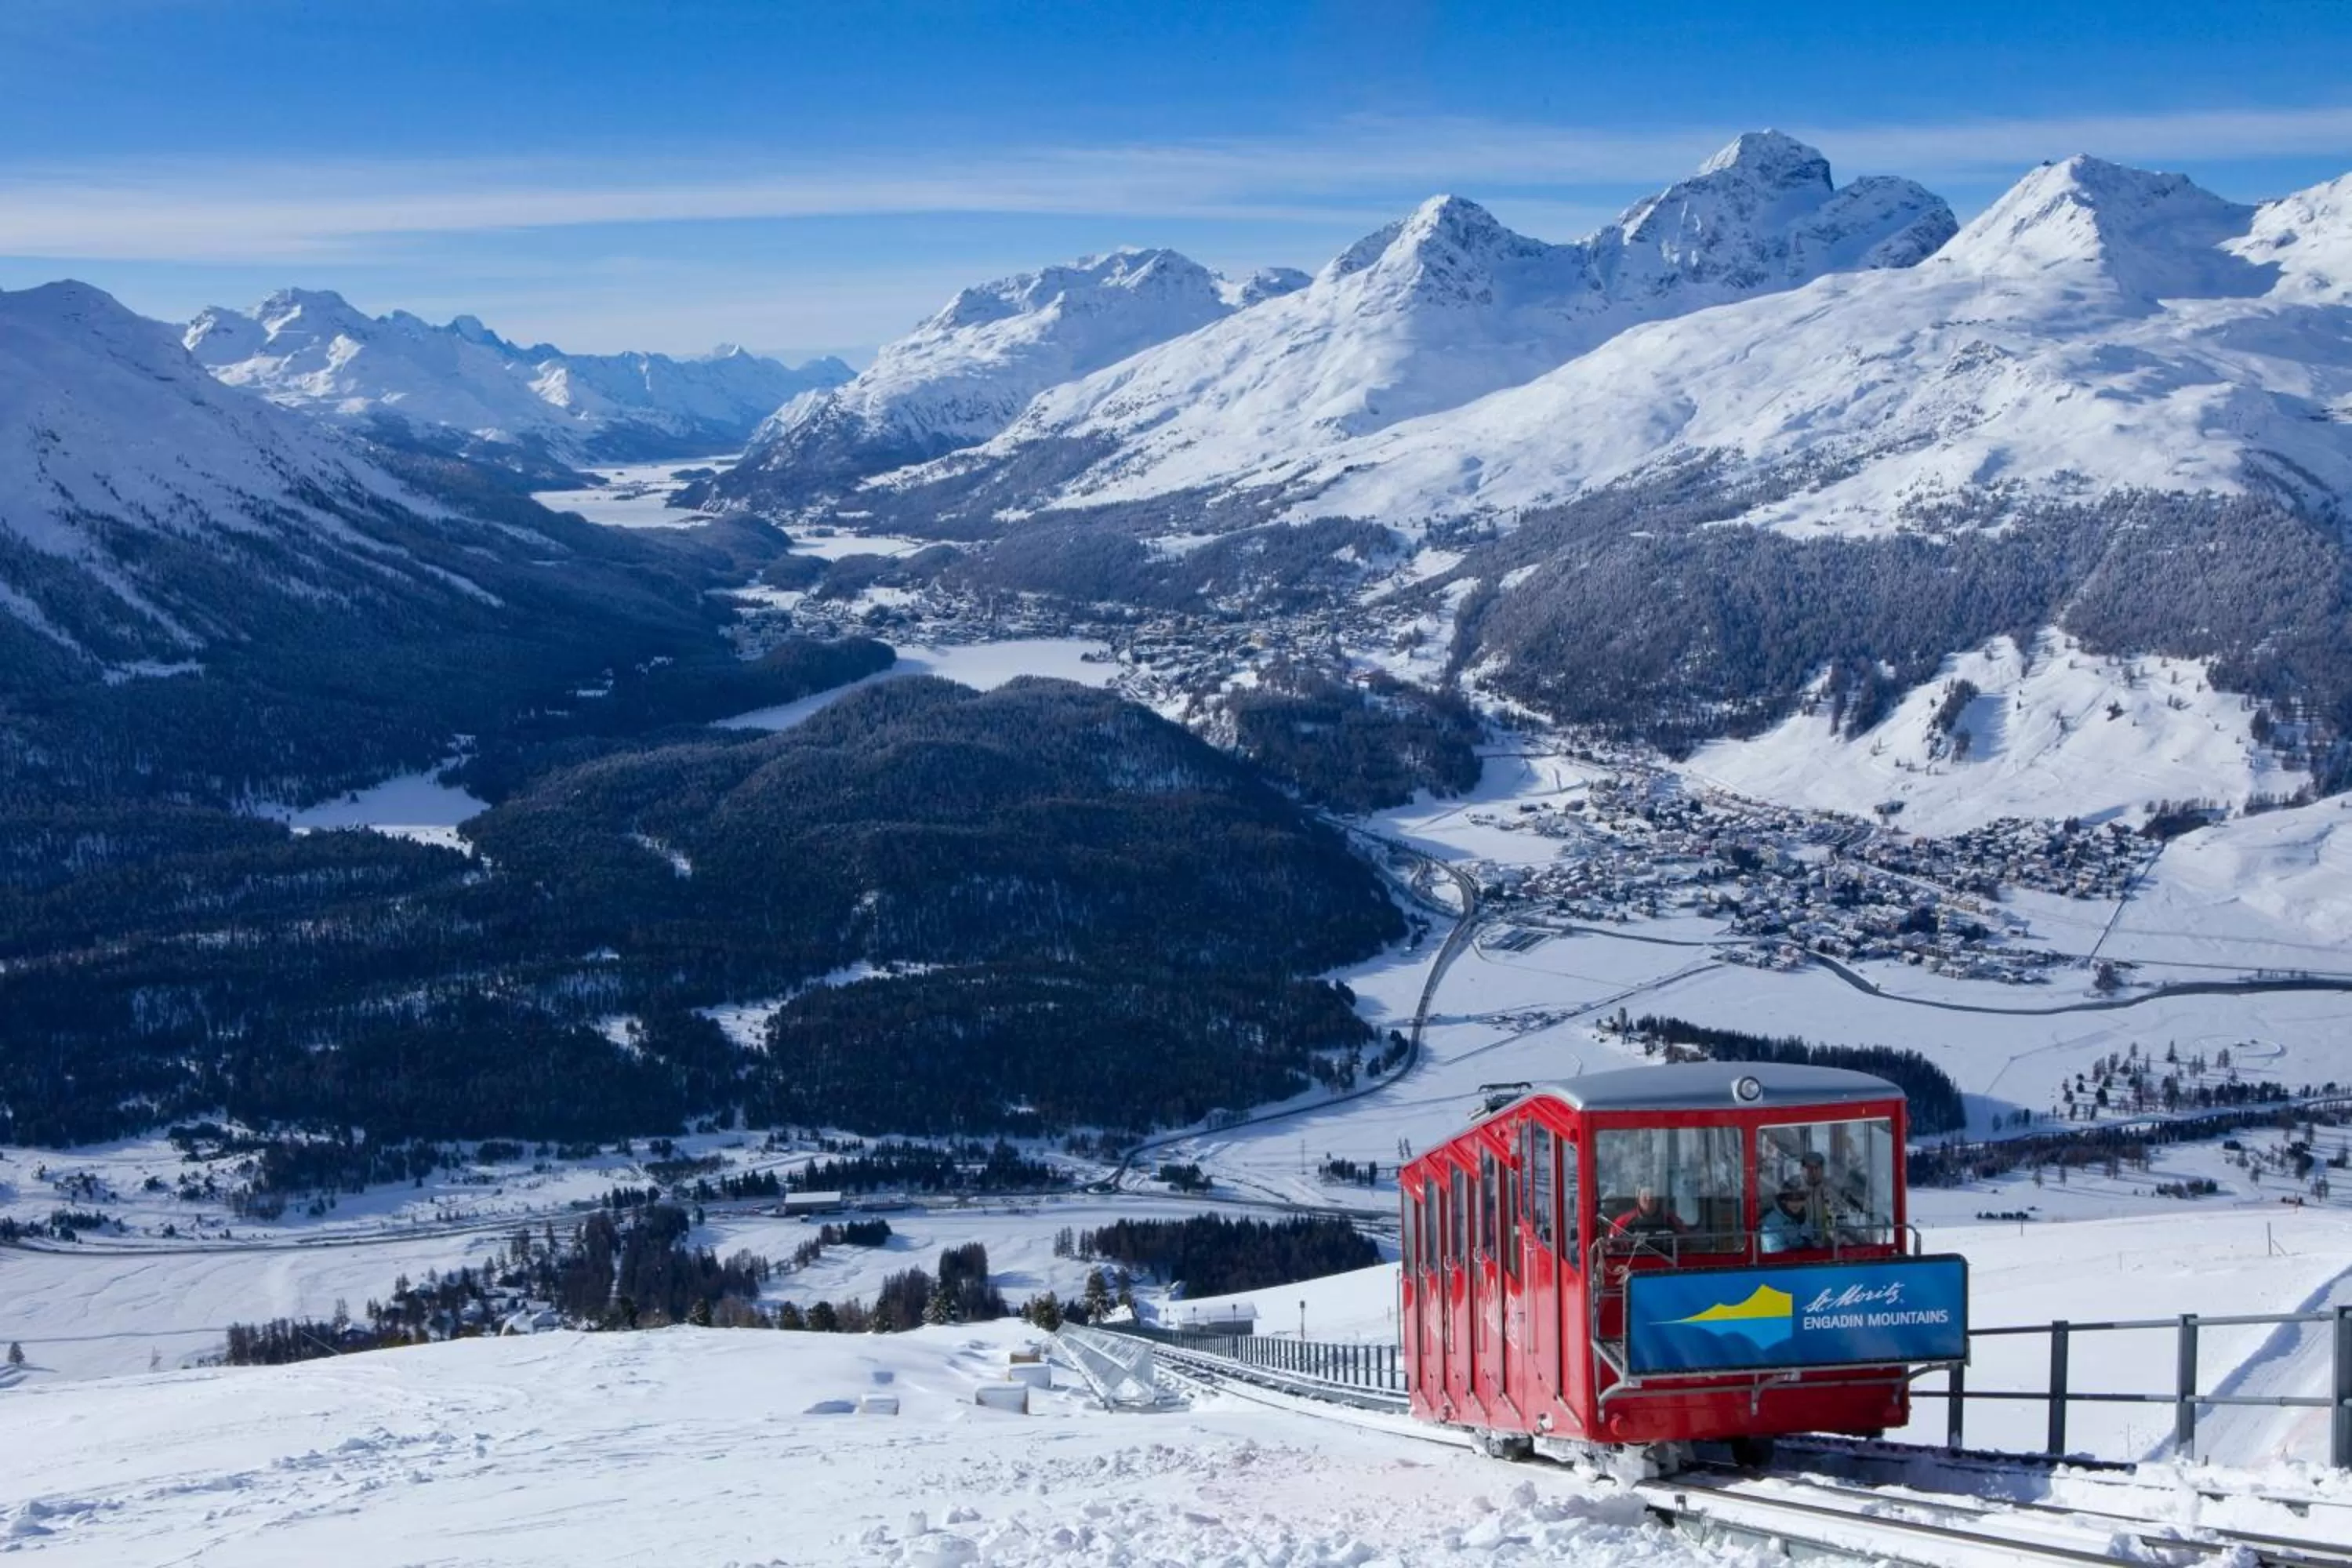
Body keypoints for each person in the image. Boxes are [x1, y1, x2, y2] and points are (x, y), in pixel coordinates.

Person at [1759, 1182, 1820, 1253]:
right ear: (1783, 1200)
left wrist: (1813, 1245)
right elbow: (1776, 1254)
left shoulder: (1802, 1218)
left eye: (1801, 1198)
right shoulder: (1771, 1224)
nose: (1796, 1203)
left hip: (1806, 1262)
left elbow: (1810, 1237)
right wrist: (1804, 1251)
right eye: (1790, 1198)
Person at [1610, 1184, 1689, 1237]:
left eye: (1652, 1195)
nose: (1649, 1199)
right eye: (1645, 1195)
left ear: (1657, 1198)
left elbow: (1686, 1243)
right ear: (1638, 1199)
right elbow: (1612, 1248)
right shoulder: (1622, 1223)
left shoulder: (1672, 1220)